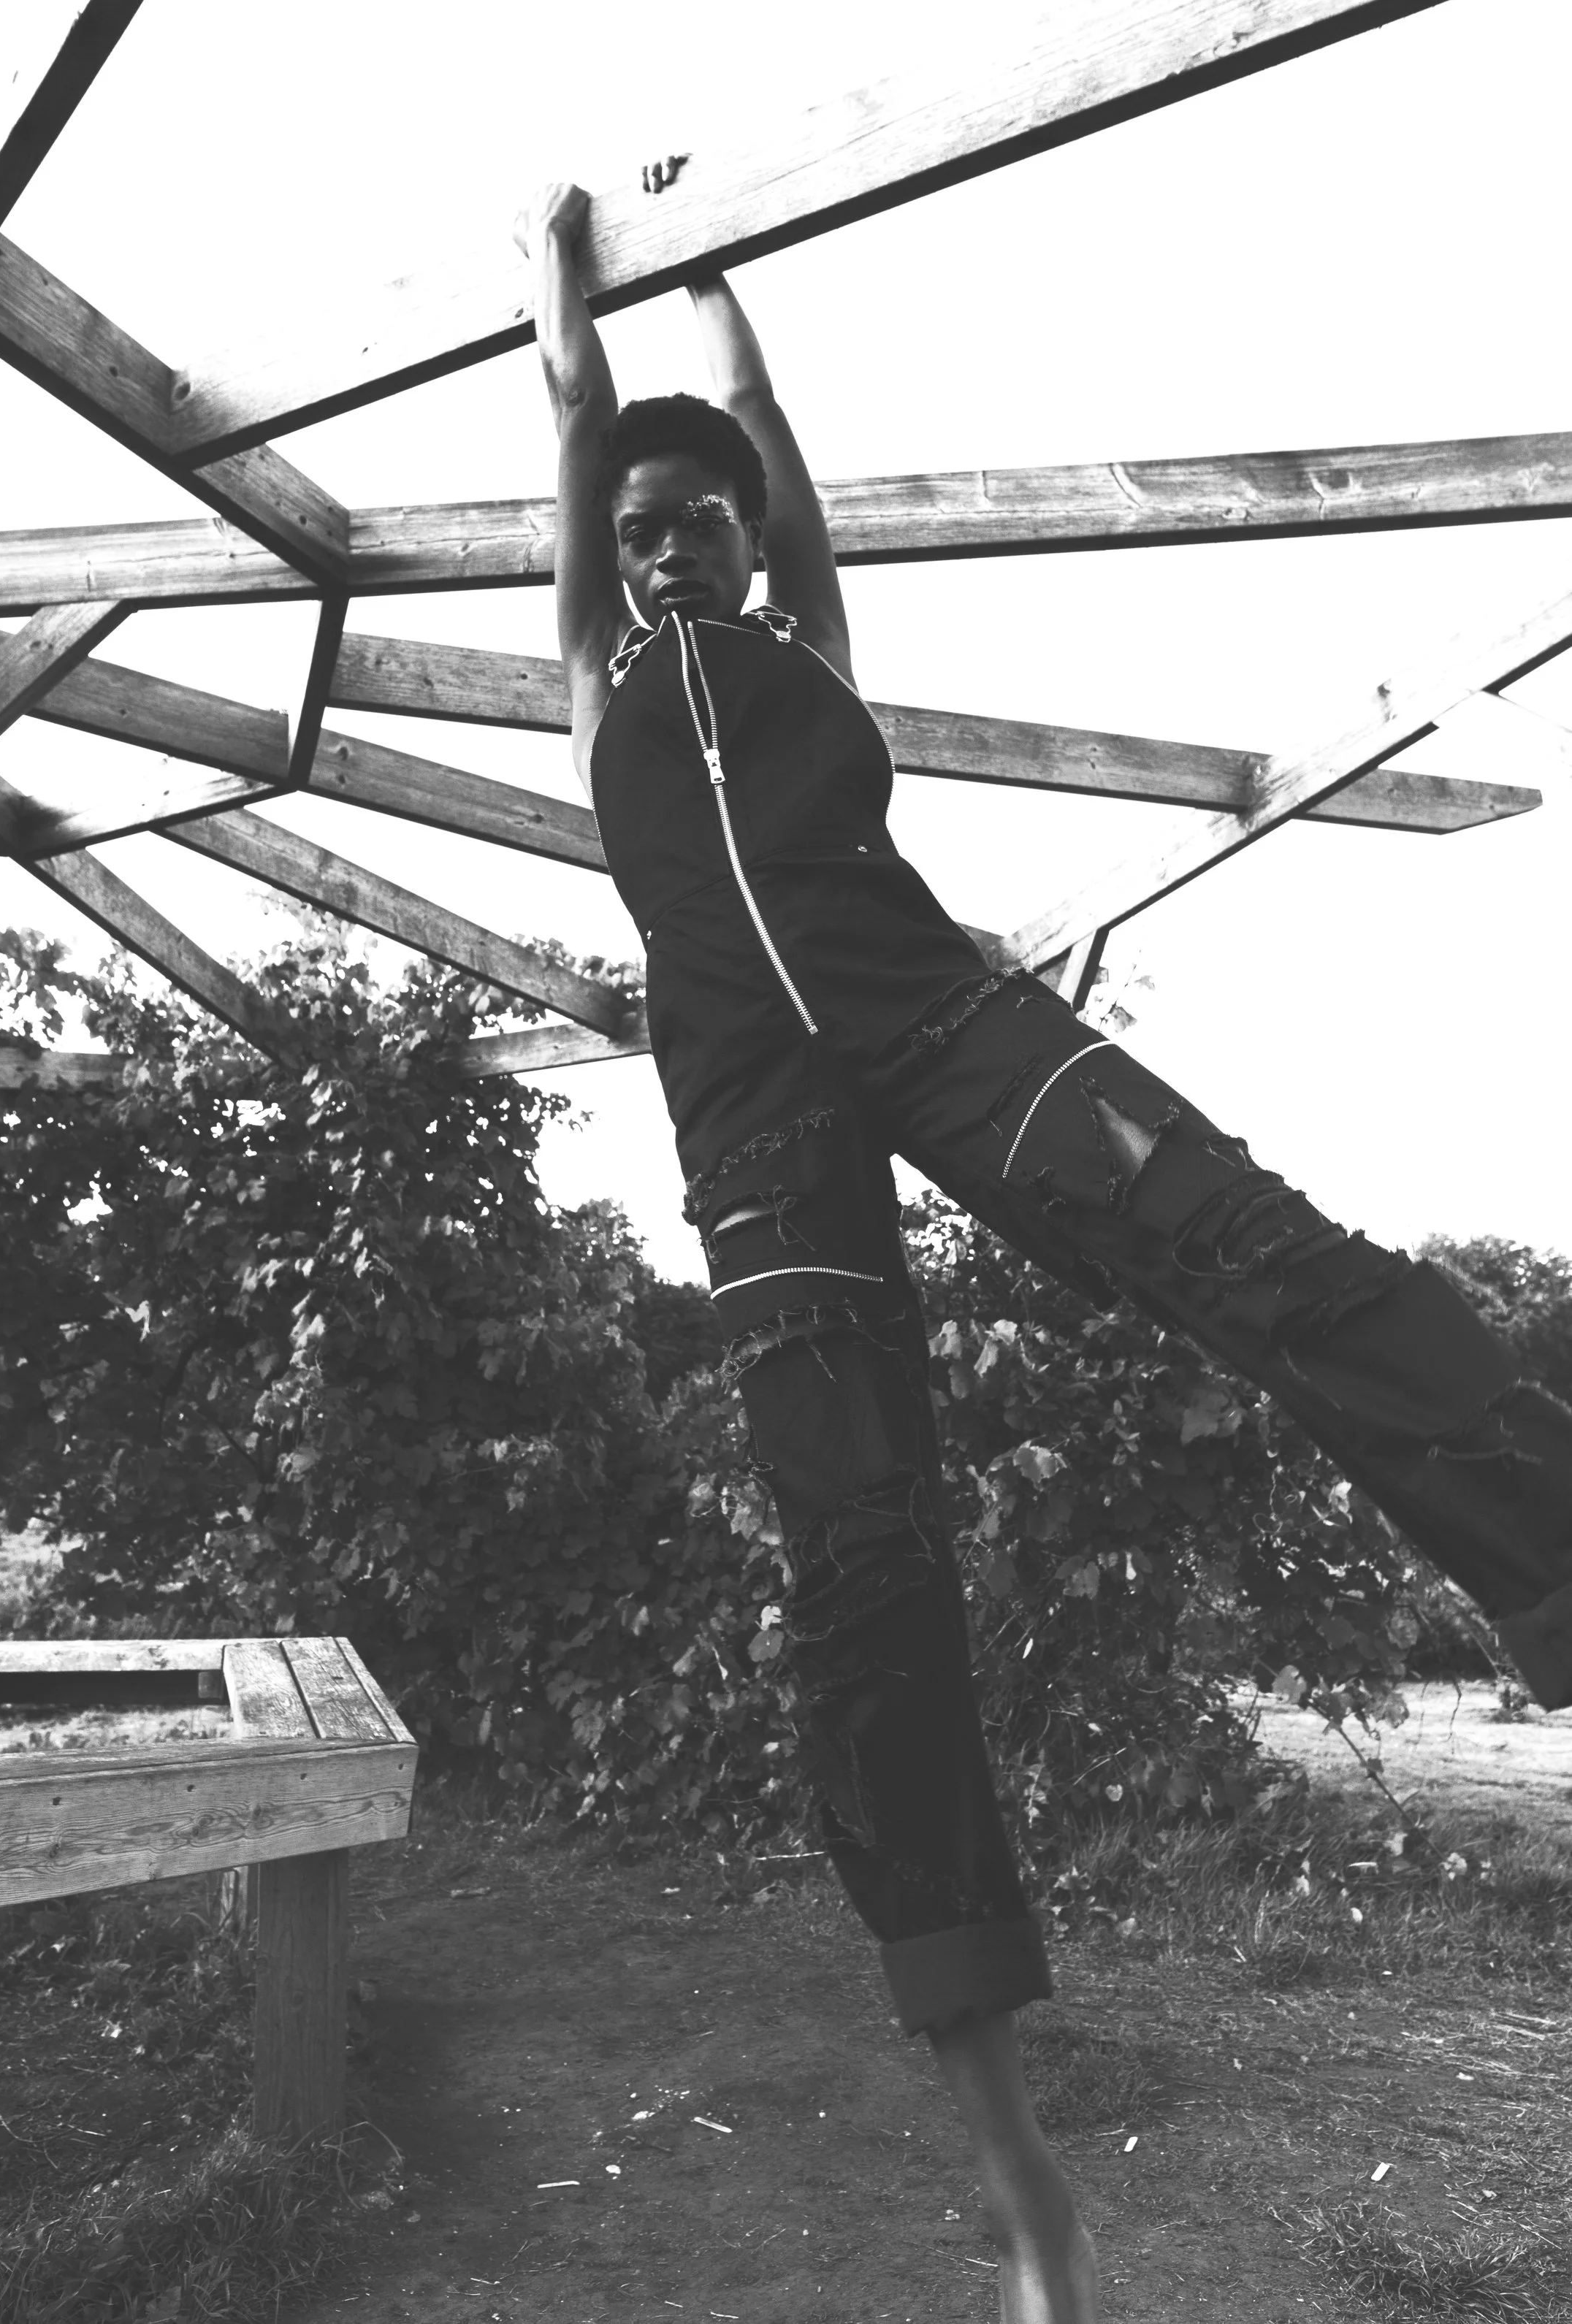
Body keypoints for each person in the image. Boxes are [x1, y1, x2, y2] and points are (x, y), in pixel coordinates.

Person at [515, 174, 1572, 2324]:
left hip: (945, 1025)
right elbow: (569, 425)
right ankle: (1017, 2182)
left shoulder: (799, 638)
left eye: (693, 517)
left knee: (1258, 1255)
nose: (664, 535)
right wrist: (567, 297)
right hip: (759, 1149)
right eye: (635, 524)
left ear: (744, 544)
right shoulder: (589, 681)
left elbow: (777, 473)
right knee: (862, 1559)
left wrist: (725, 311)